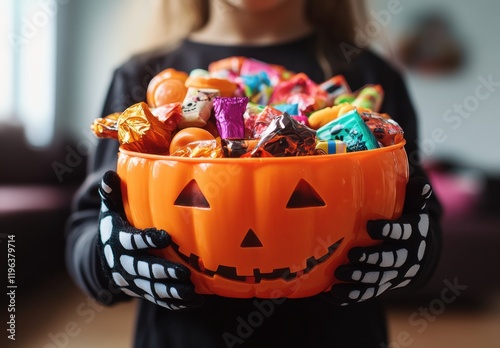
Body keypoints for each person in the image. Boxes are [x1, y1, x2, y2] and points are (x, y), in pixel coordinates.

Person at [65, 0, 442, 347]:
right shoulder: (141, 80)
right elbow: (84, 230)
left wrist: (416, 254)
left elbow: (423, 219)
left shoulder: (371, 74)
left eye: (300, 197)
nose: (253, 240)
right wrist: (106, 256)